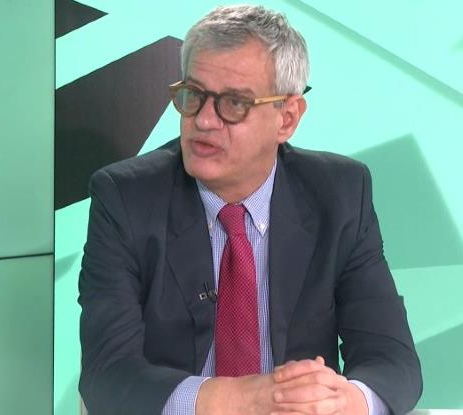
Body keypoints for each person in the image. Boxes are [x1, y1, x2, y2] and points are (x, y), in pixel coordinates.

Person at [78, 5, 422, 415]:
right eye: (194, 95)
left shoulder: (340, 194)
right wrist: (246, 400)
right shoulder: (126, 198)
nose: (204, 121)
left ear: (287, 118)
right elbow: (107, 375)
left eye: (234, 103)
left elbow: (393, 360)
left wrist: (341, 401)